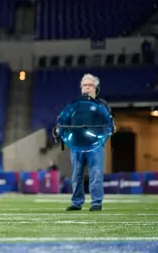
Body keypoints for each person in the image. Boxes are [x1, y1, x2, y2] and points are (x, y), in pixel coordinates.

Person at [65, 74, 114, 212]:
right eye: (84, 85)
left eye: (90, 85)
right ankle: (77, 202)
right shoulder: (74, 105)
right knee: (76, 175)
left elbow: (108, 122)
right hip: (77, 145)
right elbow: (64, 121)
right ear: (81, 88)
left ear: (96, 88)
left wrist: (109, 130)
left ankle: (96, 202)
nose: (87, 88)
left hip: (95, 145)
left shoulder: (102, 105)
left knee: (96, 173)